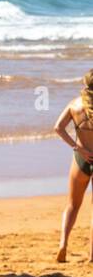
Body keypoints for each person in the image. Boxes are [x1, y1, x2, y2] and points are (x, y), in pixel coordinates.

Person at [53, 69, 93, 262]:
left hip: (81, 159)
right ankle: (92, 254)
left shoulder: (74, 105)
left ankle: (63, 245)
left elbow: (58, 128)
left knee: (72, 205)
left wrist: (78, 147)